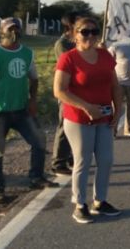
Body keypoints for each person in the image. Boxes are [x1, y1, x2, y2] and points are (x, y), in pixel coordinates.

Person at [0, 18, 58, 205]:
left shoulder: (27, 53)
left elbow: (34, 78)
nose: (15, 32)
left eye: (17, 29)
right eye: (10, 28)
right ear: (1, 31)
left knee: (39, 141)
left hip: (22, 109)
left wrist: (33, 100)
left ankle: (36, 177)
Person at [54, 17, 121, 223]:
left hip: (104, 116)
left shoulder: (104, 56)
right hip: (78, 119)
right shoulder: (68, 58)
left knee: (106, 160)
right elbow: (59, 90)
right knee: (83, 160)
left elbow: (115, 85)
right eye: (84, 32)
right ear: (75, 35)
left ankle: (100, 200)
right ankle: (80, 204)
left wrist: (118, 111)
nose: (90, 36)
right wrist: (86, 107)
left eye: (94, 31)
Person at [51, 11, 77, 175]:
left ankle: (70, 157)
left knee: (75, 126)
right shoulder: (62, 44)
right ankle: (58, 162)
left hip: (79, 89)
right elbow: (70, 63)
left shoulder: (76, 41)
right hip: (66, 90)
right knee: (64, 126)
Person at [107, 42, 130, 136]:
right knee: (116, 107)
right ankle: (112, 130)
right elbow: (108, 61)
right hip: (118, 82)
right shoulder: (115, 46)